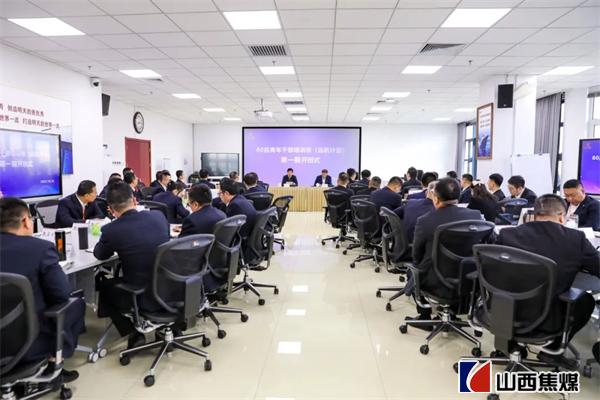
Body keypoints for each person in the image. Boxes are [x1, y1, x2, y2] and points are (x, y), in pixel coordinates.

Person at [495, 194, 599, 365]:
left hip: (503, 310)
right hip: (548, 319)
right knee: (585, 301)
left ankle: (512, 345)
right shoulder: (576, 239)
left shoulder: (507, 234)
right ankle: (553, 350)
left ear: (534, 215)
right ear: (561, 216)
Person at [0, 197, 85, 382]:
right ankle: (54, 363)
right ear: (25, 221)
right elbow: (61, 295)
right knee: (76, 304)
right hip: (27, 344)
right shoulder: (40, 249)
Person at [94, 183, 170, 348]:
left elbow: (100, 254)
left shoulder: (111, 230)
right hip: (171, 286)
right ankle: (164, 328)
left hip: (142, 293)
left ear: (110, 209)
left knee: (105, 286)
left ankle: (133, 332)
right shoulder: (158, 216)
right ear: (135, 200)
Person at [410, 178, 483, 323]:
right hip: (470, 280)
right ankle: (453, 313)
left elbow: (416, 255)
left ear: (435, 198)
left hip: (436, 281)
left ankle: (425, 317)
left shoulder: (425, 220)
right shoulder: (476, 215)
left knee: (414, 271)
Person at [178, 184, 227, 292]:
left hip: (201, 266)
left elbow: (180, 246)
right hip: (219, 263)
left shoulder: (192, 220)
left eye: (189, 204)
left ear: (195, 204)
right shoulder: (222, 214)